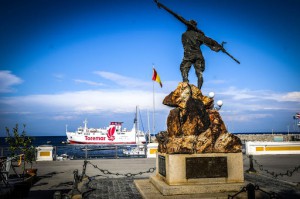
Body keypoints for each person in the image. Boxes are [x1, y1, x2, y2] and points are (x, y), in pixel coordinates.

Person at [155, 0, 223, 89]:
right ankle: (199, 90)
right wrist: (219, 47)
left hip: (188, 55)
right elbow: (209, 41)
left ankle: (185, 81)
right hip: (198, 55)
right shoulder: (199, 35)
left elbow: (185, 44)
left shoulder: (184, 35)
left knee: (183, 68)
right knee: (200, 73)